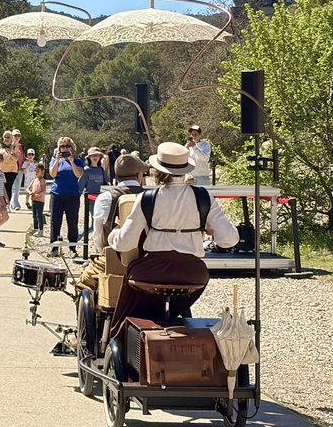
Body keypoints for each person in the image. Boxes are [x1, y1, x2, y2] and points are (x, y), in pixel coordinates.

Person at [108, 142, 239, 329]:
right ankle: (176, 320)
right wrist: (209, 230)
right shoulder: (203, 197)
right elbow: (230, 240)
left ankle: (123, 334)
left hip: (152, 270)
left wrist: (113, 235)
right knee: (186, 290)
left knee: (132, 288)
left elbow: (124, 243)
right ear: (185, 168)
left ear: (157, 170)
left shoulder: (147, 198)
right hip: (193, 272)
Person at [78, 154, 150, 290]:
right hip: (145, 263)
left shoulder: (105, 198)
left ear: (116, 175)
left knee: (83, 282)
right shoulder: (150, 198)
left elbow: (98, 238)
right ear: (139, 175)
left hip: (111, 261)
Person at [47, 136, 84, 257]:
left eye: (67, 146)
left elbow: (78, 174)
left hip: (72, 195)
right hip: (57, 194)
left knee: (72, 221)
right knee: (55, 221)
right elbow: (52, 174)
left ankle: (72, 247)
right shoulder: (55, 160)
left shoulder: (78, 161)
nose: (64, 148)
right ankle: (54, 247)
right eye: (62, 146)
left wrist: (72, 161)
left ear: (72, 148)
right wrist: (57, 161)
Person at [0, 131, 21, 212]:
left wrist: (11, 152)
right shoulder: (1, 147)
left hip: (12, 170)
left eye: (8, 137)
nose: (6, 139)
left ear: (11, 139)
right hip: (2, 169)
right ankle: (1, 204)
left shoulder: (15, 147)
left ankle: (7, 205)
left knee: (8, 187)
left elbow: (16, 159)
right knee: (1, 188)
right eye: (5, 137)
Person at [8, 130, 26, 210]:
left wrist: (27, 161)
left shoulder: (21, 146)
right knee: (13, 186)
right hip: (11, 168)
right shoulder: (10, 146)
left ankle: (13, 203)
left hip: (20, 168)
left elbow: (23, 157)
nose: (17, 137)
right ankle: (14, 204)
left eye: (19, 135)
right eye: (15, 135)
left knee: (17, 187)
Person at [28, 162, 47, 237]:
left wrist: (37, 195)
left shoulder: (43, 181)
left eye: (37, 171)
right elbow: (28, 188)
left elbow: (44, 191)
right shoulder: (34, 180)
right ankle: (35, 228)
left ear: (42, 172)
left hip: (40, 201)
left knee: (39, 215)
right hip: (33, 200)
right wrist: (30, 192)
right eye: (35, 170)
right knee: (34, 215)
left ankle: (40, 230)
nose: (36, 172)